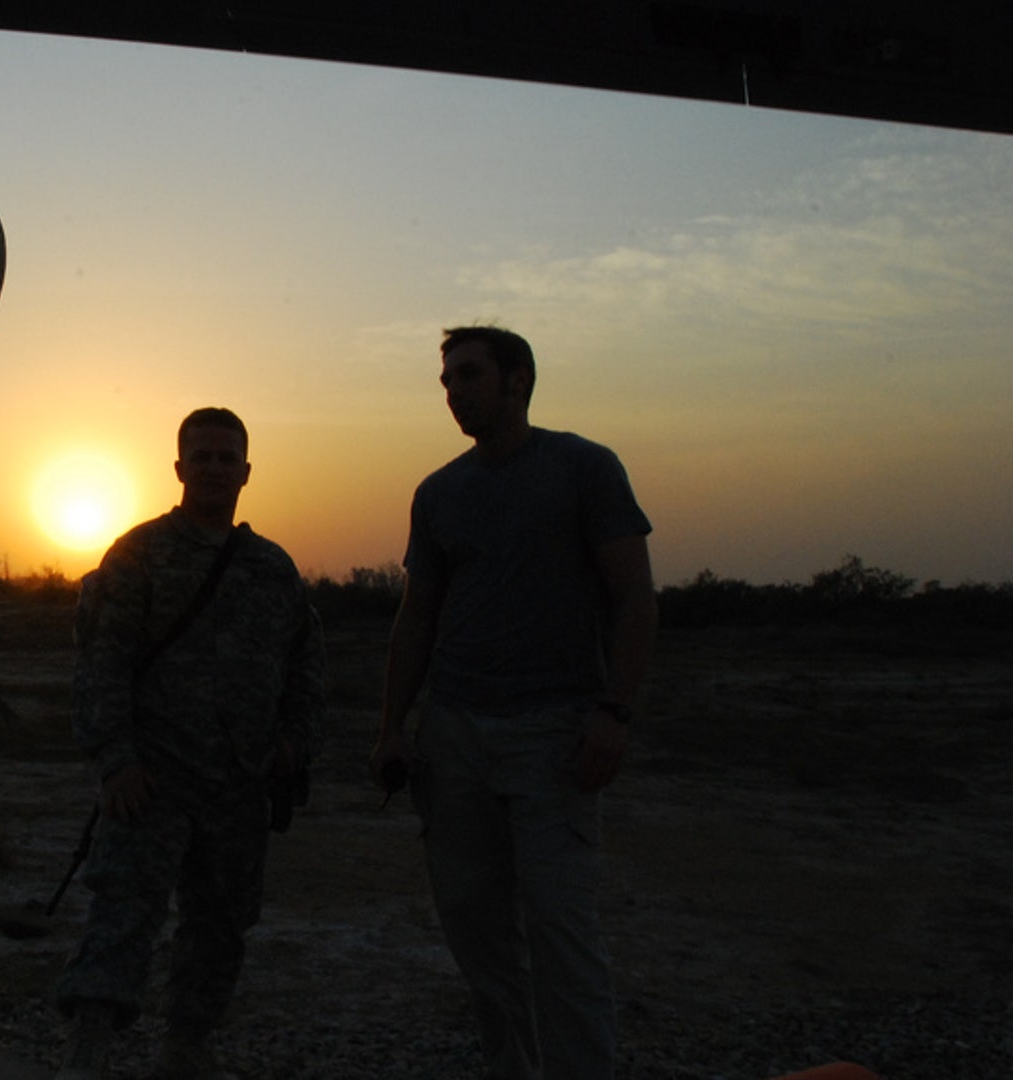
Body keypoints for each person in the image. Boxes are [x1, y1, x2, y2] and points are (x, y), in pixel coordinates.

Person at [373, 326, 657, 1080]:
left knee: (561, 926)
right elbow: (418, 615)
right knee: (476, 930)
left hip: (553, 734)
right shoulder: (438, 493)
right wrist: (393, 728)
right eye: (446, 381)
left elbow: (634, 597)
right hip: (455, 735)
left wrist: (613, 712)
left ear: (518, 379)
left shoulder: (584, 469)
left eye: (468, 376)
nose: (453, 392)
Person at [54, 407, 325, 1080]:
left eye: (225, 457)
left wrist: (294, 745)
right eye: (200, 456)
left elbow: (305, 665)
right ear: (178, 469)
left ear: (246, 471)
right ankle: (89, 1053)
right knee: (123, 914)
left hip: (238, 786)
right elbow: (101, 664)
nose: (212, 468)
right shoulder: (139, 554)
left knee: (221, 927)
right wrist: (115, 761)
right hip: (151, 780)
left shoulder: (272, 569)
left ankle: (186, 1049)